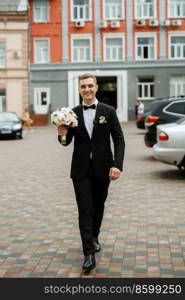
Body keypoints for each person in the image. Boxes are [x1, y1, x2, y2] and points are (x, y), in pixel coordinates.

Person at [57, 73, 125, 271]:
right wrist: (62, 135)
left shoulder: (108, 111)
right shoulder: (71, 113)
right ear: (79, 90)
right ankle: (88, 253)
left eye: (89, 86)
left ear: (96, 88)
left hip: (103, 169)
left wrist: (117, 164)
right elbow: (66, 142)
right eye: (83, 87)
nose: (86, 89)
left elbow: (119, 140)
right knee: (85, 209)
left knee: (98, 206)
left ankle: (94, 236)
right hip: (80, 170)